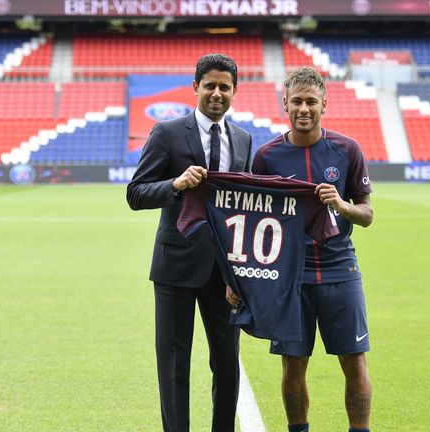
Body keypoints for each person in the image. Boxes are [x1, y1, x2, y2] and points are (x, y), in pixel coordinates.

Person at [126, 53, 252, 432]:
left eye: (224, 87)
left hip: (227, 270)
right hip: (175, 267)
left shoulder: (243, 139)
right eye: (209, 85)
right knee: (175, 363)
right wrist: (175, 185)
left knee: (228, 361)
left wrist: (243, 269)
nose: (216, 93)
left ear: (234, 91)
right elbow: (136, 193)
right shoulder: (166, 133)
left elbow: (244, 206)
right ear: (195, 87)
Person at [247, 67, 374, 432]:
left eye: (312, 102)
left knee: (354, 360)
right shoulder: (266, 157)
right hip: (290, 276)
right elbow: (256, 221)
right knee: (293, 363)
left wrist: (341, 205)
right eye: (297, 101)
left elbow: (366, 215)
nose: (304, 108)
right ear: (284, 103)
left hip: (339, 269)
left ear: (324, 105)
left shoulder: (347, 149)